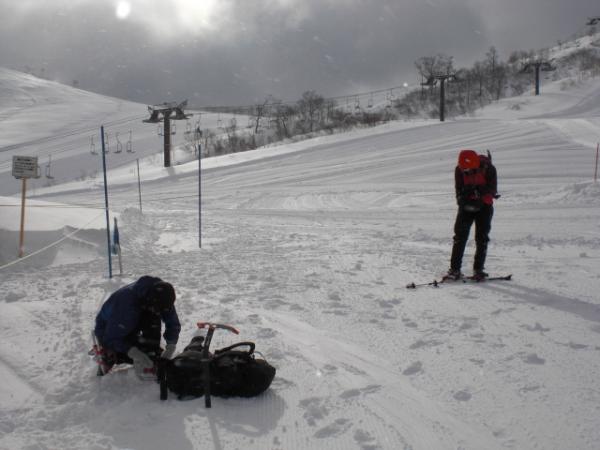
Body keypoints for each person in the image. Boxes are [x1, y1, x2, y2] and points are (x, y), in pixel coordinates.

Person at [94, 275, 181, 377]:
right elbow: (111, 337)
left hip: (132, 318)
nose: (158, 312)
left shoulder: (162, 296)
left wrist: (171, 345)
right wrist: (133, 352)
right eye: (156, 309)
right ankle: (111, 355)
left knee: (152, 320)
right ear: (150, 301)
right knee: (120, 347)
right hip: (108, 329)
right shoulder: (127, 304)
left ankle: (150, 351)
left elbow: (172, 322)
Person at [447, 150, 498, 281]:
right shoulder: (459, 170)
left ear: (475, 164)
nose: (465, 171)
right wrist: (462, 198)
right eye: (463, 168)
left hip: (484, 207)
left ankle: (478, 269)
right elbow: (458, 190)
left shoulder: (489, 169)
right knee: (459, 237)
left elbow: (493, 190)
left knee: (482, 238)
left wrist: (479, 191)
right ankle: (454, 270)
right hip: (466, 206)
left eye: (468, 169)